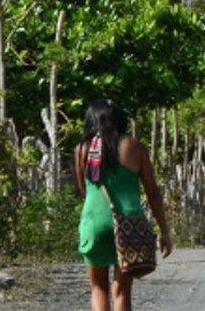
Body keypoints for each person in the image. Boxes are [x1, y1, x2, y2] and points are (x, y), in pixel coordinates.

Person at [75, 98, 172, 311]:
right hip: (128, 223)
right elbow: (153, 193)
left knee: (98, 288)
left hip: (94, 223)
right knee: (121, 291)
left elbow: (84, 188)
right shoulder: (133, 146)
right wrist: (164, 231)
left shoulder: (82, 149)